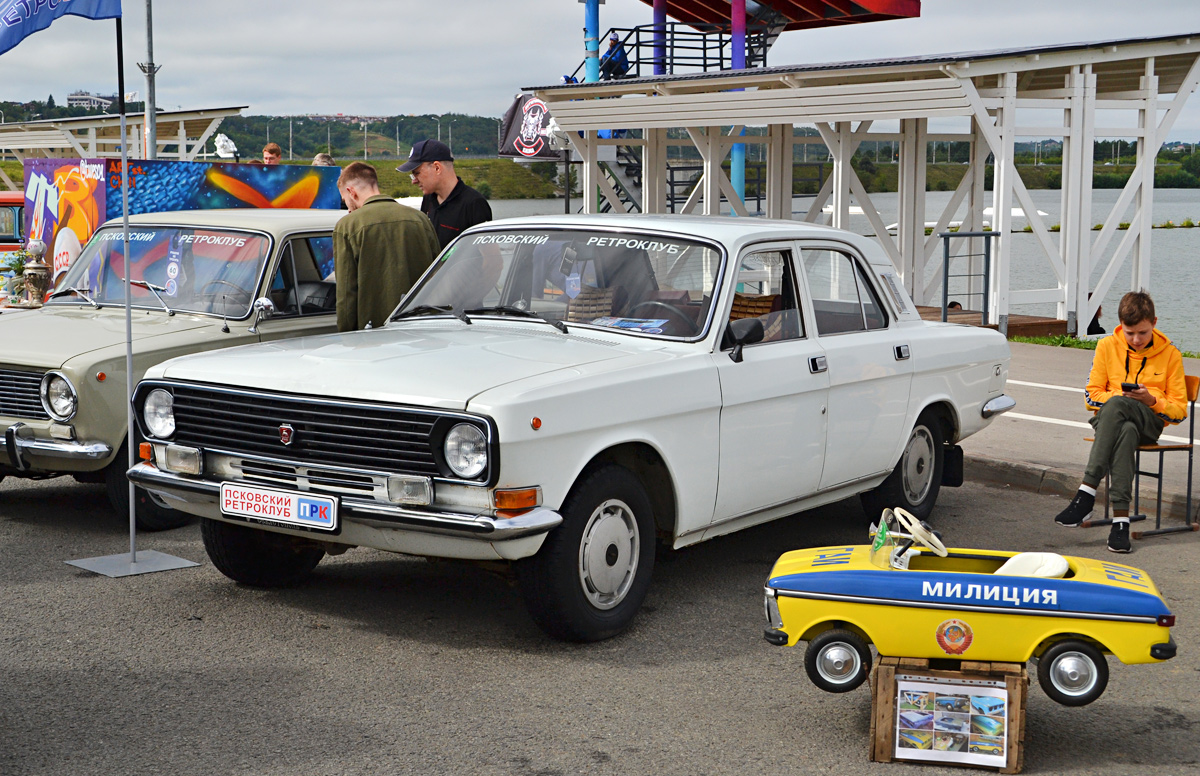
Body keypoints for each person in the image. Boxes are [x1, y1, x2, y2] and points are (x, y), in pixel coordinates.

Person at [1053, 291, 1188, 552]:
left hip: (1150, 423)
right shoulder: (1106, 346)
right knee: (1123, 427)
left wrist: (1150, 400)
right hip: (1112, 422)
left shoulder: (1171, 354)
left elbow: (1179, 411)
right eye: (1130, 333)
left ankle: (1086, 493)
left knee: (1118, 408)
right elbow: (1090, 395)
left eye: (1143, 333)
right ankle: (1121, 523)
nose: (1136, 340)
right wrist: (1121, 399)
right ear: (1120, 326)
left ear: (1155, 323)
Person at [333, 162, 439, 332]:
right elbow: (437, 277)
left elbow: (346, 293)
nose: (347, 206)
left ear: (351, 192)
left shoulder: (347, 226)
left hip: (372, 335)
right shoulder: (420, 219)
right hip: (421, 330)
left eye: (344, 200)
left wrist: (346, 333)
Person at [399, 139, 492, 250]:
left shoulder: (474, 204)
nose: (413, 181)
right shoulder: (428, 199)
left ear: (437, 168)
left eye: (417, 173)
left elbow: (491, 261)